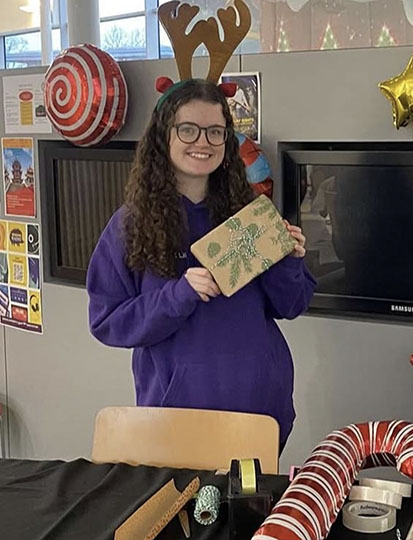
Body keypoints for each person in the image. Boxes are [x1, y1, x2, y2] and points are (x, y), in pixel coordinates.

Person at [86, 79, 316, 450]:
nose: (203, 143)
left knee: (253, 509)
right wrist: (178, 295)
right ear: (164, 136)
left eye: (215, 132)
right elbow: (107, 321)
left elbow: (290, 305)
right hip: (175, 420)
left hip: (259, 413)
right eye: (188, 129)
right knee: (183, 509)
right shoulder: (131, 225)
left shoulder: (249, 216)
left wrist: (289, 262)